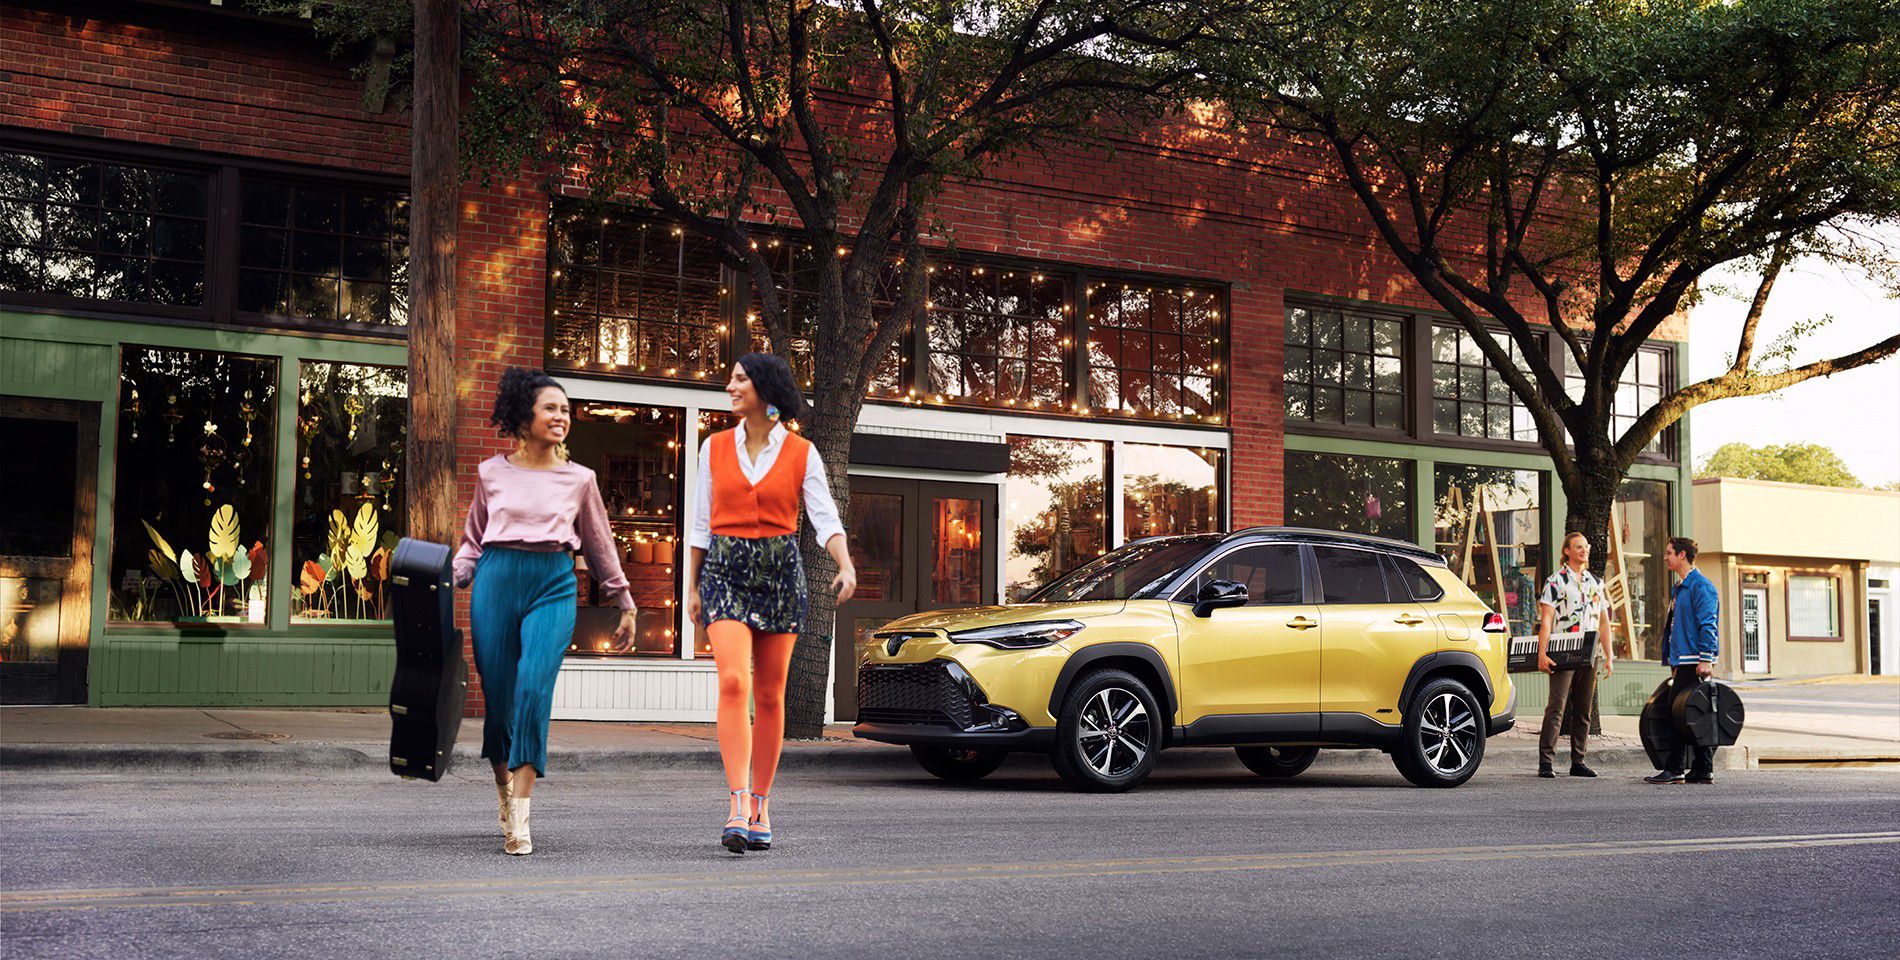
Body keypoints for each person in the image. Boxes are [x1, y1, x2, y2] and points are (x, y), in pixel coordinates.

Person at [452, 368, 636, 855]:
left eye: (566, 410)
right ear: (523, 415)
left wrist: (624, 601)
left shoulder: (580, 479)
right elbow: (473, 539)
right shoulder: (492, 472)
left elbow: (600, 545)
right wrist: (453, 575)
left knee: (534, 686)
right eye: (550, 408)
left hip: (553, 581)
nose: (561, 417)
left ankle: (521, 814)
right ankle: (503, 788)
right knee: (500, 701)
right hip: (496, 580)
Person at [688, 353, 855, 854]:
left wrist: (845, 564)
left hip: (781, 574)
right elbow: (700, 524)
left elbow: (825, 517)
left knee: (769, 694)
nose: (730, 387)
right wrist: (692, 587)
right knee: (733, 681)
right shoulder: (714, 447)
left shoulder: (802, 453)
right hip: (724, 571)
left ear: (764, 388)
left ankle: (761, 802)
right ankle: (737, 802)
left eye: (739, 379)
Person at [1534, 531, 1616, 778]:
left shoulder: (1596, 583)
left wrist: (1609, 656)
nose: (1584, 550)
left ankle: (1578, 761)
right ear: (1567, 551)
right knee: (1556, 707)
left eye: (1586, 547)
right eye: (1578, 547)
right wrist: (1541, 654)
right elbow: (1546, 621)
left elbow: (1604, 622)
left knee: (1583, 709)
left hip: (1590, 652)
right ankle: (1546, 762)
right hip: (1563, 650)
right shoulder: (1555, 581)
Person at [1646, 536, 1721, 785]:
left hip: (1694, 660)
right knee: (1693, 712)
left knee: (1675, 711)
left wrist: (1706, 659)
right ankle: (1703, 768)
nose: (1665, 557)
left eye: (1669, 553)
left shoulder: (1701, 586)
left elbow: (1708, 624)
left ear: (1682, 555)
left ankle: (1675, 767)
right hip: (1682, 659)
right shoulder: (1680, 587)